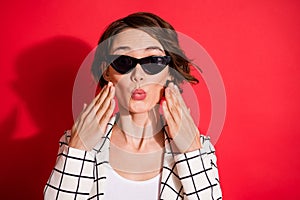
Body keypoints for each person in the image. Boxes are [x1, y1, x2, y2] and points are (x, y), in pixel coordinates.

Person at [44, 12, 222, 199]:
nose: (138, 75)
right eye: (123, 61)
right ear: (107, 71)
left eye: (153, 61)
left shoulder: (200, 147)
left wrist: (191, 153)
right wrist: (78, 150)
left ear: (169, 72)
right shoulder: (76, 141)